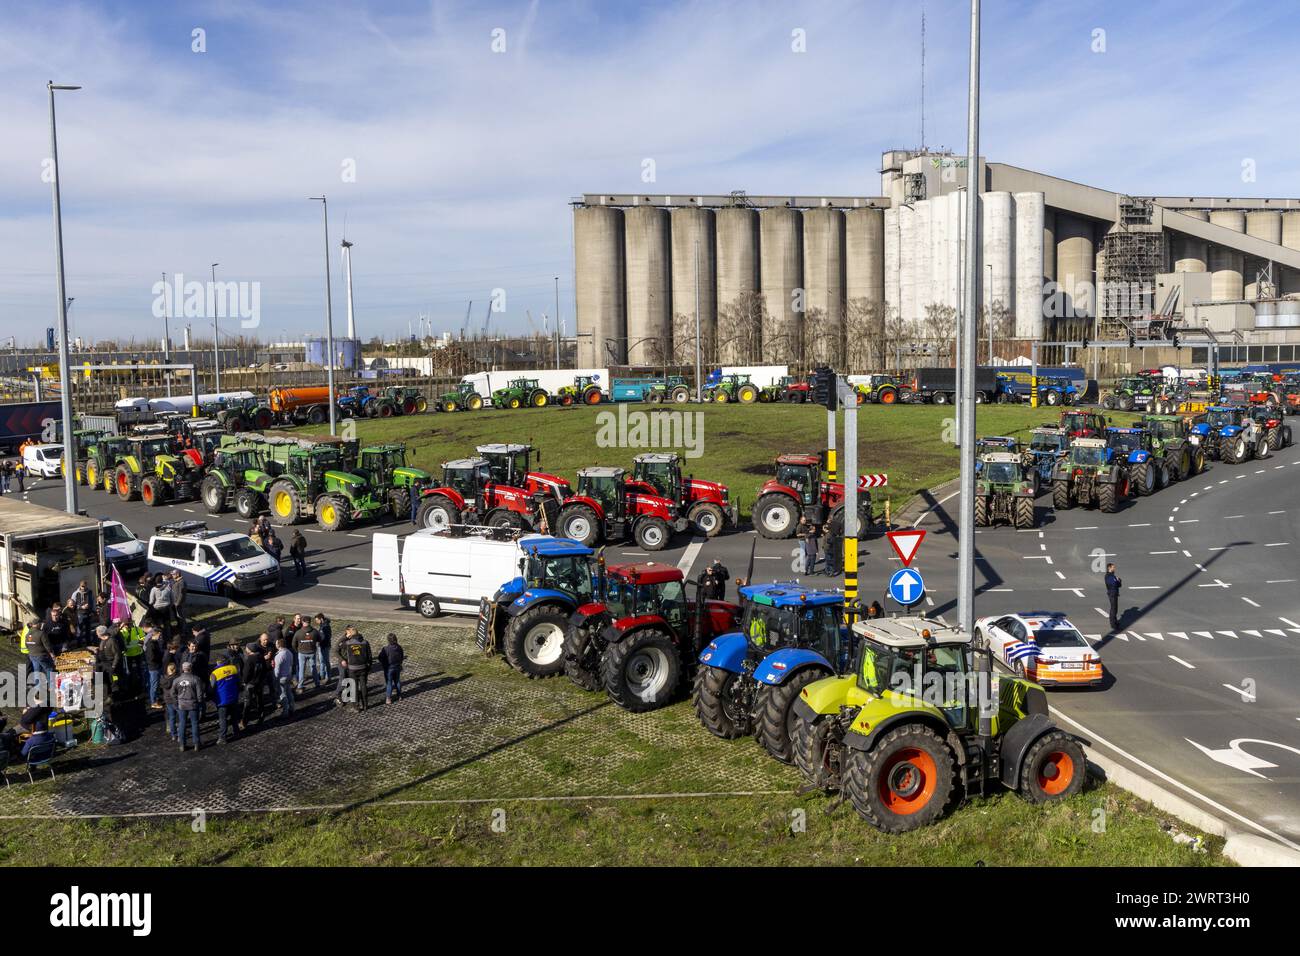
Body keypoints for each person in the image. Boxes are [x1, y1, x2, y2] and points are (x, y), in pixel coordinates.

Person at [209, 649, 241, 744]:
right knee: (234, 717)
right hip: (234, 697)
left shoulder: (214, 674)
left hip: (222, 700)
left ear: (218, 662)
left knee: (223, 719)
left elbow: (211, 688)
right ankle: (237, 732)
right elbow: (238, 682)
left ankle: (223, 737)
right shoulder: (233, 668)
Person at [338, 625, 372, 711]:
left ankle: (356, 706)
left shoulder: (348, 643)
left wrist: (345, 637)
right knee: (363, 686)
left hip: (352, 668)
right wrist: (369, 666)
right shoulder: (365, 642)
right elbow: (369, 656)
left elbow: (339, 645)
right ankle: (365, 705)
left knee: (354, 687)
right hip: (363, 667)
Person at [172, 661, 204, 751]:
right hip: (193, 704)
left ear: (183, 669)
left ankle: (182, 744)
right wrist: (200, 703)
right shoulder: (196, 679)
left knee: (182, 724)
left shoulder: (176, 680)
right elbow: (200, 694)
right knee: (195, 723)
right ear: (191, 668)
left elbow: (173, 693)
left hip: (182, 704)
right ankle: (196, 744)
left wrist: (176, 703)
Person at [20, 617, 56, 688]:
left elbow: (27, 645)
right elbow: (47, 646)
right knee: (49, 669)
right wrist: (52, 655)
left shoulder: (28, 634)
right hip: (41, 655)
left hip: (32, 655)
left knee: (37, 671)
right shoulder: (41, 633)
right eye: (40, 623)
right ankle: (51, 686)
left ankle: (38, 687)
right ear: (38, 624)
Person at [239, 641, 266, 729]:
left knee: (248, 703)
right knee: (260, 701)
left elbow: (246, 673)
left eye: (247, 648)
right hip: (259, 683)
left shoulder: (250, 659)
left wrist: (244, 681)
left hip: (250, 684)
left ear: (250, 650)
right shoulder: (261, 657)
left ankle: (244, 722)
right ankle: (261, 717)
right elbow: (265, 669)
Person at [143, 625, 165, 709]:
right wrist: (160, 656)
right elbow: (151, 658)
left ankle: (155, 698)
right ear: (157, 634)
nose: (160, 636)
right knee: (154, 685)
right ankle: (153, 702)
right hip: (154, 667)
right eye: (160, 635)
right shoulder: (151, 644)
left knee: (155, 684)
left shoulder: (152, 642)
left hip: (155, 666)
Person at [379, 633, 404, 704]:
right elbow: (402, 656)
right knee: (397, 681)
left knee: (389, 683)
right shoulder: (399, 647)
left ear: (388, 640)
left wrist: (384, 664)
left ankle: (388, 698)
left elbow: (380, 658)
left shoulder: (386, 648)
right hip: (397, 667)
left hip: (389, 668)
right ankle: (399, 696)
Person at [68, 580, 96, 645]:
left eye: (84, 586)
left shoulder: (90, 592)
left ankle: (89, 643)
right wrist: (81, 607)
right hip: (79, 614)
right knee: (79, 630)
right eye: (82, 586)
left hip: (88, 613)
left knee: (88, 630)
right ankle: (79, 644)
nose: (83, 588)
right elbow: (72, 604)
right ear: (80, 586)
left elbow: (93, 602)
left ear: (86, 585)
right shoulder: (75, 593)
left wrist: (93, 611)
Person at [295, 622, 321, 691]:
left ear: (303, 622)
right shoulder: (315, 631)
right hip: (312, 652)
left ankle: (300, 686)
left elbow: (293, 643)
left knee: (302, 669)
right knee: (313, 668)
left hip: (302, 653)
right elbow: (320, 639)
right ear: (309, 622)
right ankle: (317, 683)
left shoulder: (299, 632)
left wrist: (297, 650)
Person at [273, 637, 294, 717]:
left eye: (276, 644)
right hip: (288, 676)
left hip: (281, 678)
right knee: (289, 692)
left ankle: (285, 712)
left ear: (279, 645)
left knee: (282, 694)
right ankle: (292, 707)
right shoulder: (289, 652)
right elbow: (291, 665)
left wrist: (275, 679)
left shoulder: (278, 656)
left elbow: (277, 670)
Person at [148, 575, 173, 641]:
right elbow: (172, 599)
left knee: (158, 624)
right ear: (162, 581)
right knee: (167, 624)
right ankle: (169, 637)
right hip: (166, 608)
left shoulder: (153, 589)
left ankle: (160, 638)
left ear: (156, 582)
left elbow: (151, 601)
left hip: (157, 610)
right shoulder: (168, 588)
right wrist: (169, 605)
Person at [314, 613, 332, 683]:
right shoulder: (322, 625)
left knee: (326, 662)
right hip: (321, 645)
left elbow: (326, 637)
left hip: (325, 646)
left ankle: (328, 677)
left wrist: (318, 639)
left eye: (317, 620)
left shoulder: (326, 626)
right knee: (321, 661)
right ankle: (322, 675)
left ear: (321, 619)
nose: (316, 622)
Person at [169, 570, 188, 635]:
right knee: (178, 617)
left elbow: (181, 594)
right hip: (175, 603)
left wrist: (178, 603)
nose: (172, 576)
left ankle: (184, 631)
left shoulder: (181, 582)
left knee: (181, 617)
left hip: (179, 604)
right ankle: (180, 627)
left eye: (173, 574)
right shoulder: (176, 581)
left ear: (177, 574)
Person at [1105, 563, 1123, 631]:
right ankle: (1113, 624)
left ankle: (1115, 622)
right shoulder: (1108, 576)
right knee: (1113, 609)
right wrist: (1117, 581)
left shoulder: (1112, 576)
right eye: (1113, 567)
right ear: (1109, 568)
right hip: (1112, 594)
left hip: (1114, 594)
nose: (1114, 568)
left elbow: (1119, 585)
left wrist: (1119, 581)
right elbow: (1113, 584)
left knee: (1115, 609)